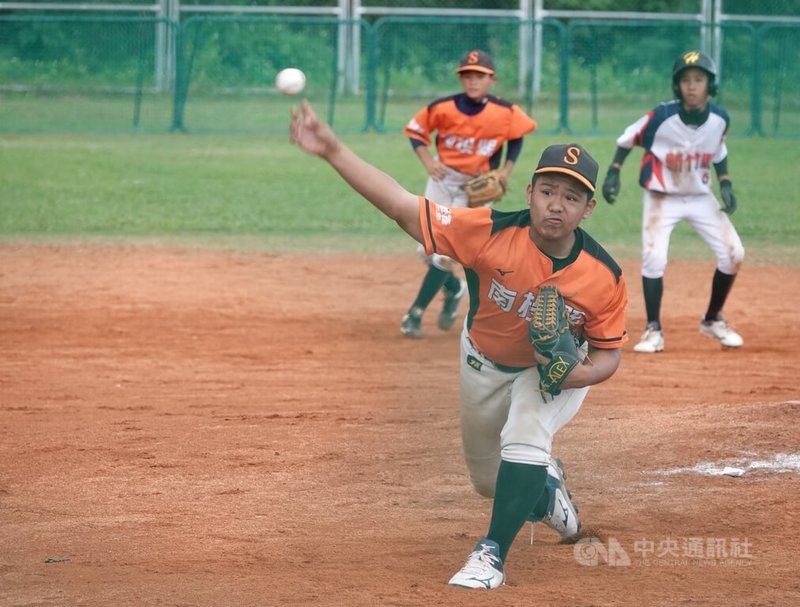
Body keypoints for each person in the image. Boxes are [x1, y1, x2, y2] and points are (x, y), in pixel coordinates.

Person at [290, 100, 628, 589]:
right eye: (548, 190)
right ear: (529, 191)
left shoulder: (604, 276)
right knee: (489, 482)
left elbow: (608, 354)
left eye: (572, 197)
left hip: (551, 373)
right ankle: (546, 489)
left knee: (527, 431)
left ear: (588, 208)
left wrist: (574, 374)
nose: (557, 204)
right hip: (483, 362)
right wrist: (333, 150)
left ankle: (490, 554)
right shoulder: (487, 231)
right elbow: (402, 206)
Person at [601, 49, 745, 353]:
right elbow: (627, 139)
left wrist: (726, 183)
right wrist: (614, 171)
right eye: (685, 80)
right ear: (676, 86)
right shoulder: (662, 117)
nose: (691, 86)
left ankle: (712, 319)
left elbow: (718, 152)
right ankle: (653, 329)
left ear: (710, 84)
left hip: (699, 196)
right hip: (661, 196)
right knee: (654, 258)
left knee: (734, 254)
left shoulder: (720, 119)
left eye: (699, 79)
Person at [400, 49, 538, 338]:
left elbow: (516, 138)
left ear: (492, 80)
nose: (473, 81)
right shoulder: (443, 107)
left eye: (480, 76)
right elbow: (416, 132)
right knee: (425, 246)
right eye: (467, 76)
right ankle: (453, 289)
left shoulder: (505, 112)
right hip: (442, 180)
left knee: (446, 254)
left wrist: (505, 172)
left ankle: (414, 315)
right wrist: (429, 161)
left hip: (475, 190)